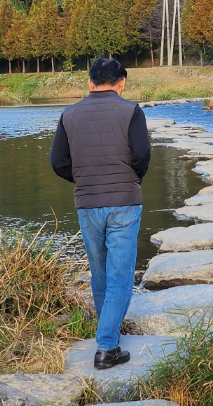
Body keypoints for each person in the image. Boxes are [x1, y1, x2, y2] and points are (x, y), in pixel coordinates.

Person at [49, 58, 150, 370]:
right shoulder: (131, 111)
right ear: (121, 83)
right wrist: (132, 179)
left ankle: (110, 333)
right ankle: (107, 347)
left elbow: (58, 162)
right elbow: (142, 154)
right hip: (124, 201)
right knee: (120, 275)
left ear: (90, 83)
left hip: (87, 203)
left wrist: (83, 180)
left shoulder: (69, 114)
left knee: (101, 273)